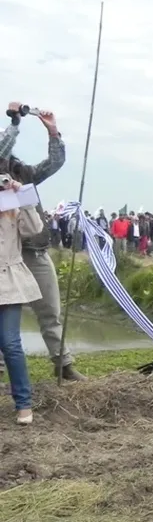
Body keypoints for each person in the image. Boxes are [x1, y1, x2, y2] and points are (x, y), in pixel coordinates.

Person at [0, 102, 84, 383]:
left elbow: (55, 163)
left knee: (50, 311)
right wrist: (15, 123)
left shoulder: (23, 174)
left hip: (35, 252)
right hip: (4, 259)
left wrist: (53, 133)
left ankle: (64, 364)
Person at [0, 174, 44, 425]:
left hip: (8, 281)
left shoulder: (12, 207)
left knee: (10, 343)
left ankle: (23, 403)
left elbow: (34, 229)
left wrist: (22, 194)